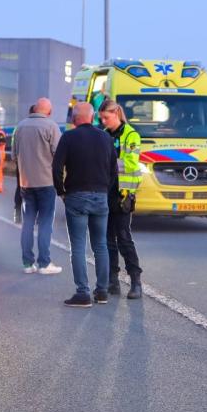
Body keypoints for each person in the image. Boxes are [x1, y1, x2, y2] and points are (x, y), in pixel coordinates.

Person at [52, 101, 116, 307]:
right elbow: (113, 169)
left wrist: (61, 190)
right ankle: (102, 292)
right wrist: (106, 189)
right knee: (100, 246)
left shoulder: (69, 137)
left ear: (75, 118)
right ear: (92, 117)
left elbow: (56, 166)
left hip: (76, 196)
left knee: (78, 246)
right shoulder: (106, 137)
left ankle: (82, 293)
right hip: (100, 195)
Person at [98, 99, 143, 299]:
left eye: (106, 117)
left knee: (124, 238)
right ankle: (112, 281)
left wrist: (107, 163)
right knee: (107, 240)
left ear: (116, 113)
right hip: (105, 193)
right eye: (101, 118)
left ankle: (135, 281)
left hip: (123, 194)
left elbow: (132, 164)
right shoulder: (105, 135)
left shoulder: (131, 135)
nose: (104, 121)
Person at [11, 98, 63, 275]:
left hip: (26, 183)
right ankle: (44, 263)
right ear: (48, 111)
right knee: (45, 223)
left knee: (27, 223)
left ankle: (27, 263)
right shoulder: (51, 127)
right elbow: (59, 155)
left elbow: (13, 155)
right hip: (46, 182)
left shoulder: (20, 127)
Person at [13, 104, 38, 223]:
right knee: (37, 189)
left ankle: (17, 214)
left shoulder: (20, 126)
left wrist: (16, 159)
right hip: (37, 165)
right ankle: (34, 216)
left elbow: (14, 147)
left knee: (20, 189)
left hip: (21, 164)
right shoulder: (44, 126)